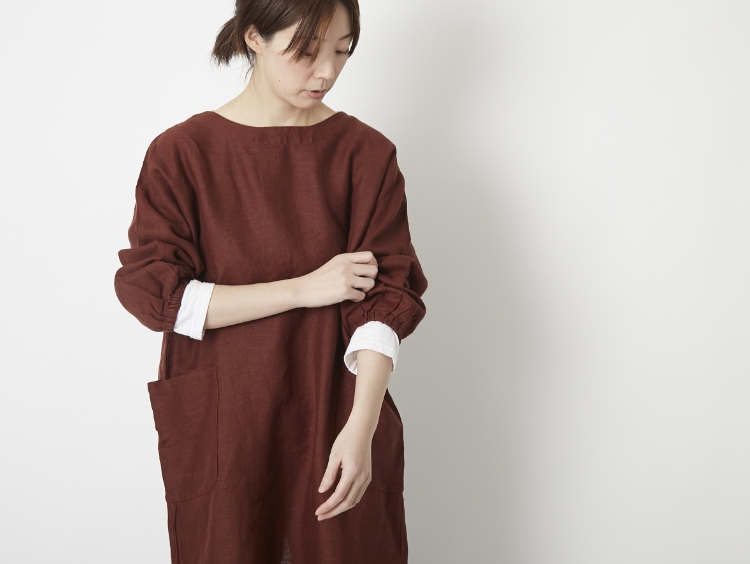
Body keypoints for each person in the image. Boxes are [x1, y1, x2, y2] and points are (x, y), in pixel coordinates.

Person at [113, 0, 428, 562]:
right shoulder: (183, 154)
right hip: (227, 420)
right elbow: (161, 297)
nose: (327, 72)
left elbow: (385, 302)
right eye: (306, 52)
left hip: (337, 411)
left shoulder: (366, 155)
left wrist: (362, 427)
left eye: (342, 51)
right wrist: (303, 288)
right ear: (254, 37)